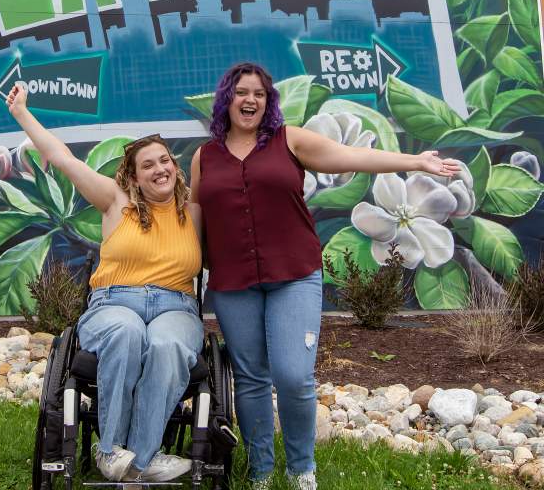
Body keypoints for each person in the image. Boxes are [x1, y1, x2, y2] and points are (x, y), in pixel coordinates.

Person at [190, 62, 459, 490]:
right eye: (242, 92)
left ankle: (301, 469)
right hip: (233, 281)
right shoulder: (204, 157)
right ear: (227, 98)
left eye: (260, 93)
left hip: (294, 274)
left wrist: (416, 161)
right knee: (251, 377)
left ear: (268, 101)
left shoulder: (288, 140)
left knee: (294, 376)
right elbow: (194, 217)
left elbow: (353, 156)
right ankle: (260, 471)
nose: (251, 100)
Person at [6, 84, 203, 483]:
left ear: (176, 167)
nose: (160, 169)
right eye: (148, 165)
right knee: (127, 332)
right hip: (115, 303)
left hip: (176, 306)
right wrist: (22, 113)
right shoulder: (116, 201)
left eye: (165, 160)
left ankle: (143, 460)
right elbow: (61, 157)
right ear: (132, 176)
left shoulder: (194, 212)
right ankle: (111, 450)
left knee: (166, 344)